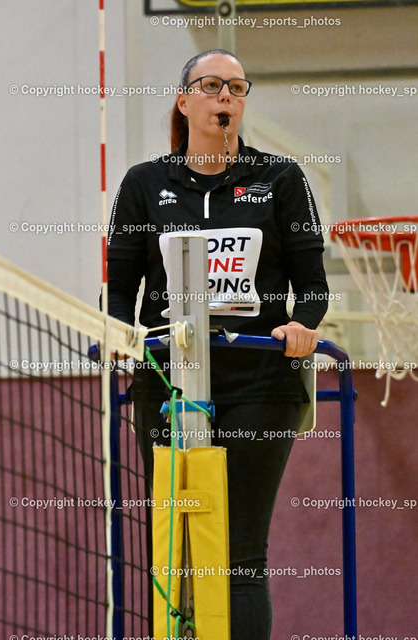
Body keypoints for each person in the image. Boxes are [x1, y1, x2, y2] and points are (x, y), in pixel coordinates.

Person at [107, 49, 329, 640]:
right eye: (211, 85)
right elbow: (120, 289)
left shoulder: (282, 179)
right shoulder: (143, 184)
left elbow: (312, 286)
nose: (225, 96)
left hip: (260, 380)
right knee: (177, 547)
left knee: (236, 555)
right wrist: (116, 335)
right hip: (169, 377)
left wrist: (302, 325)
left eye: (237, 87)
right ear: (185, 100)